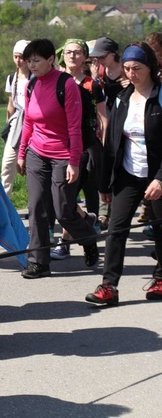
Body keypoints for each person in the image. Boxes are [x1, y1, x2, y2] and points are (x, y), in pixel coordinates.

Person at [86, 43, 162, 305]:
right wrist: (105, 183)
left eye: (137, 68)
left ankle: (161, 278)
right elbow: (112, 144)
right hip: (128, 174)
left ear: (150, 67)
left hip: (157, 174)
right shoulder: (122, 97)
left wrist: (160, 178)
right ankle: (109, 286)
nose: (131, 73)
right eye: (128, 68)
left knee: (160, 228)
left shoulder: (160, 96)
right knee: (116, 229)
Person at [17, 39, 99, 278]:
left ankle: (88, 237)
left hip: (63, 154)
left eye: (36, 60)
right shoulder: (31, 85)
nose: (31, 65)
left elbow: (75, 127)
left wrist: (74, 162)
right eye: (28, 60)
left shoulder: (66, 85)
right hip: (36, 154)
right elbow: (29, 122)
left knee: (62, 210)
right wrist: (22, 153)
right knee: (37, 208)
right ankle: (38, 262)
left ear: (51, 59)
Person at [50, 38, 107, 260]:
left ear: (84, 57)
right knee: (66, 198)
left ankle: (68, 241)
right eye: (68, 52)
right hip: (62, 147)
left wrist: (105, 144)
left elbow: (103, 117)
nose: (72, 56)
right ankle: (83, 223)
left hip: (87, 146)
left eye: (77, 52)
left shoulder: (93, 85)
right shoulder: (57, 81)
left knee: (79, 195)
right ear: (62, 56)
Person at [1, 40, 31, 197]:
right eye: (15, 57)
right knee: (7, 164)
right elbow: (11, 103)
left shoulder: (35, 78)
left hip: (33, 123)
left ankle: (35, 203)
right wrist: (9, 124)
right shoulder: (12, 78)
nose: (18, 61)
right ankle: (4, 201)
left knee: (32, 166)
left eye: (21, 57)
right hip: (17, 123)